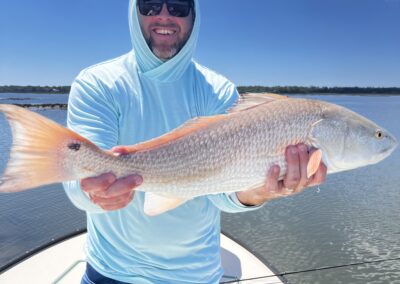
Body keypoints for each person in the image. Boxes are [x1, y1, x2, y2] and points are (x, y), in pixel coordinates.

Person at [63, 0, 327, 283]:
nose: (164, 16)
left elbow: (221, 191)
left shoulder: (218, 90)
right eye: (150, 5)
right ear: (133, 11)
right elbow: (76, 185)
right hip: (111, 272)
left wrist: (261, 191)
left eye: (178, 7)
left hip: (195, 275)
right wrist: (95, 192)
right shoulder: (97, 83)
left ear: (195, 16)